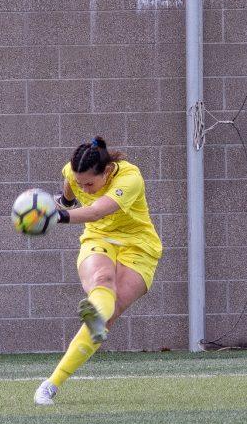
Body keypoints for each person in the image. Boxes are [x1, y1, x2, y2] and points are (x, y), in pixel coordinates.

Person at [34, 137, 162, 406]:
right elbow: (69, 184)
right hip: (98, 239)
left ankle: (97, 318)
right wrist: (67, 199)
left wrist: (56, 215)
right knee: (102, 281)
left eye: (90, 184)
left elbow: (94, 212)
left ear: (106, 172)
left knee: (109, 313)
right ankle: (49, 386)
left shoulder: (129, 177)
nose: (85, 188)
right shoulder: (74, 171)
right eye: (81, 184)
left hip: (139, 246)